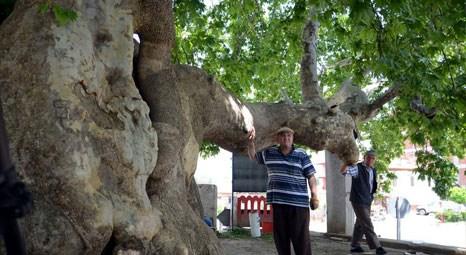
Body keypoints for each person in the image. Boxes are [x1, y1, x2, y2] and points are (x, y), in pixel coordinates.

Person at [248, 126, 319, 255]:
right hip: (279, 204)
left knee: (301, 241)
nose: (286, 138)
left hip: (298, 205)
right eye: (283, 136)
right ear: (278, 138)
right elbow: (253, 156)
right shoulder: (270, 153)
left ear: (292, 138)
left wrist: (314, 196)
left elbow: (311, 177)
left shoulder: (301, 154)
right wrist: (250, 142)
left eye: (289, 136)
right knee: (281, 240)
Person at [340, 150, 387, 255]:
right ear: (364, 157)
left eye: (373, 158)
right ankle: (377, 247)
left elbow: (371, 185)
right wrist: (346, 163)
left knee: (360, 223)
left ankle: (355, 245)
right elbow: (343, 171)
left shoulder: (373, 170)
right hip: (358, 200)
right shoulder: (357, 168)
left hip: (367, 199)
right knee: (367, 222)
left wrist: (371, 196)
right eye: (368, 157)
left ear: (375, 160)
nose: (370, 159)